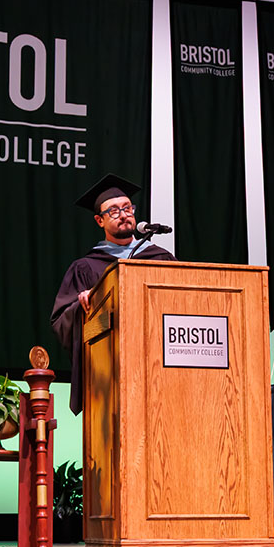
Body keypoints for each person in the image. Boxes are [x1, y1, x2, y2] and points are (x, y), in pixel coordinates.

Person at [50, 173, 175, 414]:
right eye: (114, 211)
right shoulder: (86, 267)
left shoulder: (160, 258)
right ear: (99, 220)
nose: (124, 214)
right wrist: (82, 306)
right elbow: (59, 323)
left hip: (161, 366)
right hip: (110, 374)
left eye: (127, 208)